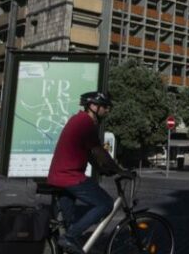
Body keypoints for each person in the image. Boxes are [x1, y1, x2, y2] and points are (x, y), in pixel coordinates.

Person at [47, 91, 128, 254]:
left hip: (60, 176)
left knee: (69, 223)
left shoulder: (79, 120)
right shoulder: (85, 123)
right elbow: (99, 152)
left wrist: (102, 170)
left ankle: (67, 240)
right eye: (105, 106)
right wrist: (120, 170)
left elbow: (89, 154)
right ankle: (69, 237)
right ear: (93, 106)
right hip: (69, 176)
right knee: (105, 204)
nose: (107, 110)